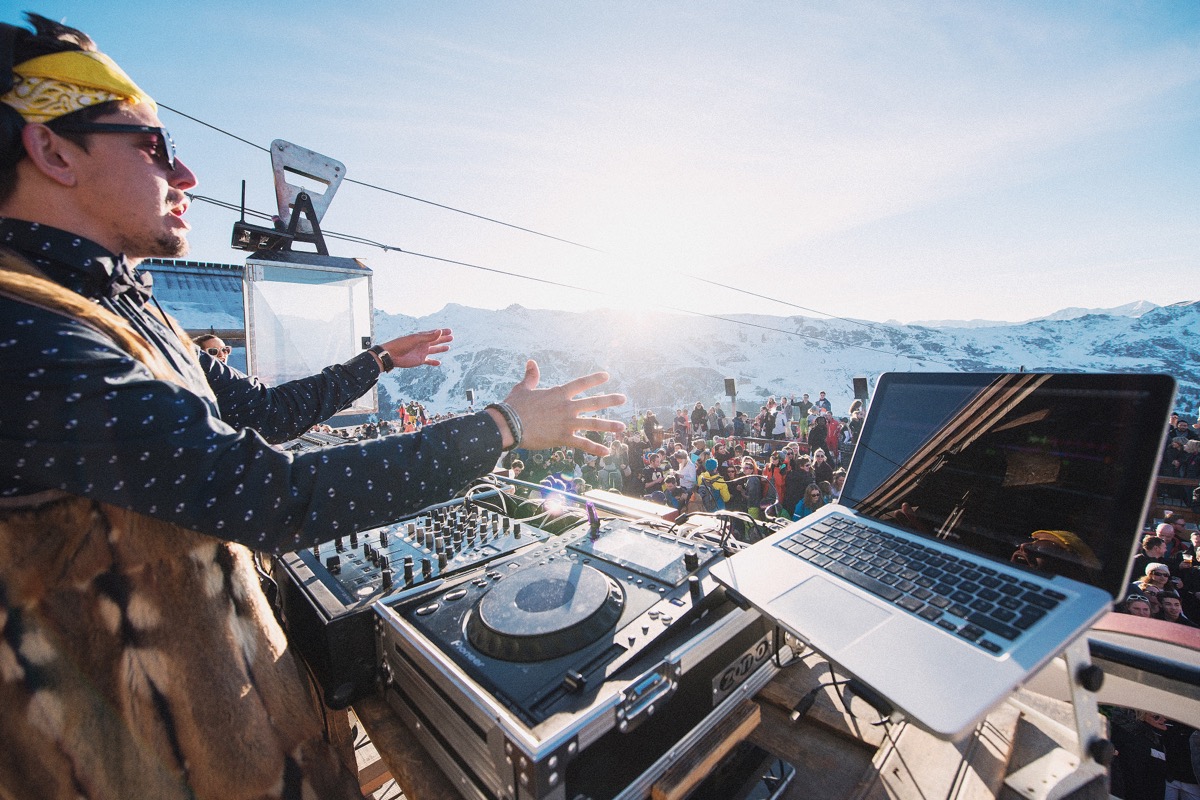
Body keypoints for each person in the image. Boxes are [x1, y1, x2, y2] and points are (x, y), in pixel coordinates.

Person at [0, 14, 626, 800]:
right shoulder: (25, 333)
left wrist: (373, 362)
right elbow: (271, 494)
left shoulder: (119, 307)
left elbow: (258, 413)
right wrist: (499, 430)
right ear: (51, 149)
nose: (186, 174)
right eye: (154, 145)